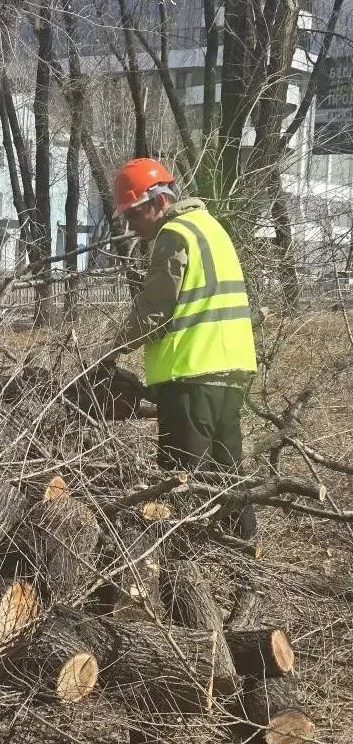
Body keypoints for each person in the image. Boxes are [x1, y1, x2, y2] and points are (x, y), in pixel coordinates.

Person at [108, 157, 257, 540]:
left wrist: (108, 349)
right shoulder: (210, 227)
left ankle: (183, 561)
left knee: (183, 477)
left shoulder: (174, 235)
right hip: (231, 368)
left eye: (134, 215)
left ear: (158, 202)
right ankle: (240, 553)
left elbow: (155, 311)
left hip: (192, 373)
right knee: (226, 471)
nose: (131, 227)